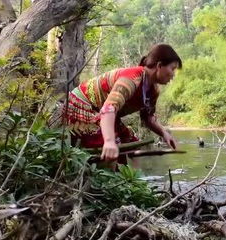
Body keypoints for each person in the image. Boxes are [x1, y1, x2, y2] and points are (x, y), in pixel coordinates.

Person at [50, 44, 181, 164]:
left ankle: (129, 182)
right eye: (172, 69)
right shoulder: (132, 77)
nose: (173, 75)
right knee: (111, 150)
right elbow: (109, 108)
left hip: (104, 114)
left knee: (132, 146)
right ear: (159, 66)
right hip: (82, 106)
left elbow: (148, 118)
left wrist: (164, 133)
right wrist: (108, 141)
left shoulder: (153, 91)